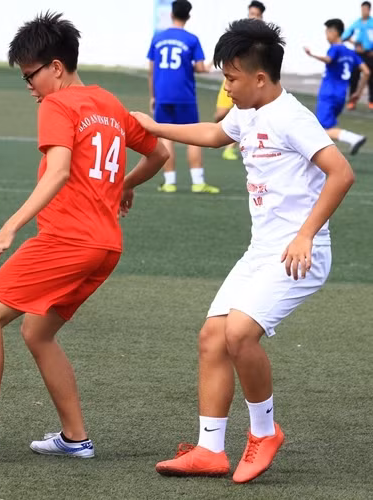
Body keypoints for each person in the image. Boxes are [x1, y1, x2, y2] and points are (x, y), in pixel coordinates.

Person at [0, 11, 168, 459]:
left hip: (68, 241)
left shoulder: (58, 105)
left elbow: (57, 172)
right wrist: (125, 185)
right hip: (106, 247)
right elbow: (161, 153)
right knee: (37, 332)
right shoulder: (110, 104)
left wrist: (10, 226)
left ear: (56, 67)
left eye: (30, 75)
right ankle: (75, 438)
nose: (29, 86)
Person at [132, 19, 355, 483]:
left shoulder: (291, 118)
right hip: (261, 251)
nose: (226, 87)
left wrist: (305, 234)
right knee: (212, 337)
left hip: (300, 253)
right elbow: (215, 135)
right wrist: (155, 126)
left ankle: (264, 432)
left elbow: (341, 173)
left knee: (238, 334)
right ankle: (210, 450)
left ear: (260, 77)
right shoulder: (246, 111)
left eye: (231, 78)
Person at [147, 0, 218, 193]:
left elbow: (152, 70)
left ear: (171, 14)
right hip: (184, 96)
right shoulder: (191, 39)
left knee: (166, 137)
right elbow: (200, 67)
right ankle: (198, 182)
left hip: (163, 95)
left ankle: (169, 182)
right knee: (193, 137)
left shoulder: (158, 38)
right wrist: (208, 66)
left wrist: (153, 96)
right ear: (188, 16)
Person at [305, 19, 368, 154]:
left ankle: (353, 138)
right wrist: (358, 93)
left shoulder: (334, 48)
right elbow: (367, 72)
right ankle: (324, 158)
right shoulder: (351, 53)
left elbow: (329, 59)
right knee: (325, 130)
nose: (326, 36)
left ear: (334, 32)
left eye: (327, 33)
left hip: (328, 94)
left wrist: (312, 55)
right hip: (341, 96)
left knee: (322, 130)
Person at [215, 1, 265, 161]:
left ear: (261, 17)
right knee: (220, 114)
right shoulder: (239, 32)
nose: (253, 17)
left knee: (244, 115)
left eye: (257, 15)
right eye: (251, 14)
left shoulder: (264, 38)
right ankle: (219, 135)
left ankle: (231, 148)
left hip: (248, 83)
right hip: (231, 79)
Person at [343, 1, 373, 109]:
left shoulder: (372, 24)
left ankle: (371, 101)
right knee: (354, 76)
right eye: (362, 9)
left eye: (365, 9)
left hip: (370, 54)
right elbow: (345, 36)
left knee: (371, 78)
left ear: (369, 10)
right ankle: (352, 101)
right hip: (358, 55)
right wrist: (354, 43)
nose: (363, 11)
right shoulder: (356, 24)